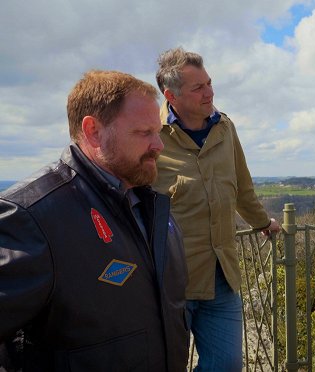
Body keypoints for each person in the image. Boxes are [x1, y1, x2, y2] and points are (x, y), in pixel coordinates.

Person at [0, 70, 189, 371]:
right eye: (144, 133)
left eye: (158, 132)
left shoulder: (153, 206)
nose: (159, 145)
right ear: (94, 132)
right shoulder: (32, 217)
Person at [153, 47, 281, 371]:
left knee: (226, 366)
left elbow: (243, 187)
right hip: (168, 284)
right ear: (171, 95)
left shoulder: (225, 127)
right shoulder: (150, 137)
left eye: (209, 83)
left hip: (221, 277)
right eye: (199, 88)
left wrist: (263, 221)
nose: (210, 92)